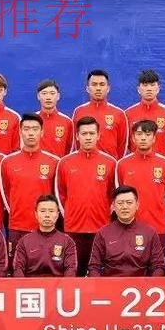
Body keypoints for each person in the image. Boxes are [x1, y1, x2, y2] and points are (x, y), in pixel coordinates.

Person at [55, 116, 118, 276]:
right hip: (73, 229)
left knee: (100, 274)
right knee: (74, 273)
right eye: (84, 134)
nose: (88, 137)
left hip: (101, 228)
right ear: (77, 136)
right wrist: (70, 216)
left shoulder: (110, 163)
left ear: (98, 135)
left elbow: (114, 195)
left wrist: (105, 216)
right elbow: (60, 195)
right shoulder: (65, 163)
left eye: (92, 133)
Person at [0, 113, 61, 260]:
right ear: (20, 132)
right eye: (26, 129)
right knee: (16, 267)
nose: (30, 133)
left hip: (46, 227)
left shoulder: (54, 162)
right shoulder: (7, 162)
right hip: (17, 226)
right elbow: (5, 194)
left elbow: (58, 194)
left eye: (35, 129)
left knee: (46, 266)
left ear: (42, 132)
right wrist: (16, 212)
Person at [116, 120, 165, 261]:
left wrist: (156, 212)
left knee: (158, 269)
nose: (143, 138)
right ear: (133, 138)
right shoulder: (122, 164)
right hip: (129, 227)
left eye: (148, 134)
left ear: (154, 138)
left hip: (158, 227)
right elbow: (119, 198)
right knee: (129, 269)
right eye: (139, 134)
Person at [88, 185, 165, 277]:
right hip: (111, 284)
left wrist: (151, 284)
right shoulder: (103, 233)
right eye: (120, 203)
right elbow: (94, 267)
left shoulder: (149, 233)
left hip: (141, 284)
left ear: (137, 205)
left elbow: (158, 266)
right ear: (113, 206)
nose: (124, 207)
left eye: (129, 203)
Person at [13, 194, 78, 277]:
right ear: (36, 214)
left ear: (57, 214)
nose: (47, 215)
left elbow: (71, 269)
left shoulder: (67, 241)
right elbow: (18, 269)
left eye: (51, 211)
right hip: (31, 284)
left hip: (58, 284)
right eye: (43, 211)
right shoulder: (24, 241)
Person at [72, 69, 128, 158]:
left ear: (108, 88)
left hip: (110, 165)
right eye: (94, 84)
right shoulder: (79, 112)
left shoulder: (119, 113)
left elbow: (122, 145)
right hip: (84, 163)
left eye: (102, 84)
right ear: (87, 88)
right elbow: (75, 142)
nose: (98, 88)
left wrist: (114, 162)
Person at [125, 69, 165, 156]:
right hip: (135, 163)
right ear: (138, 89)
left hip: (161, 164)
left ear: (158, 88)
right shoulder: (128, 114)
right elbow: (126, 144)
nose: (149, 89)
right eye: (145, 85)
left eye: (152, 85)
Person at [36, 78, 74, 158]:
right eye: (44, 93)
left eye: (52, 93)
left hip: (58, 165)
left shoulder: (67, 122)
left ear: (58, 96)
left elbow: (69, 150)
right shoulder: (31, 120)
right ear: (38, 96)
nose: (48, 97)